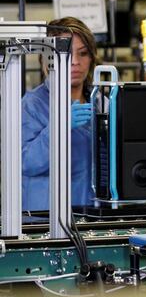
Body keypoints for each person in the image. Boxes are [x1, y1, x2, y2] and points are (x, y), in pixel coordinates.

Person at [21, 17, 98, 211]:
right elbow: (25, 163)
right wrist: (58, 126)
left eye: (83, 53)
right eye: (66, 54)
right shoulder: (33, 104)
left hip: (93, 216)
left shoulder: (101, 103)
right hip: (47, 218)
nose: (76, 62)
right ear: (47, 58)